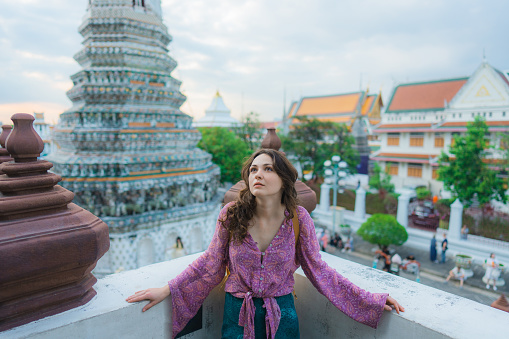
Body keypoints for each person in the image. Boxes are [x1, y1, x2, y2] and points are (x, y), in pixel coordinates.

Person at [126, 149, 404, 339]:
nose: (257, 174)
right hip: (238, 315)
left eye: (268, 169)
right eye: (253, 169)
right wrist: (167, 290)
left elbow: (319, 271)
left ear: (284, 179)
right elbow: (210, 265)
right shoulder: (231, 215)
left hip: (282, 315)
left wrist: (371, 300)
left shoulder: (298, 219)